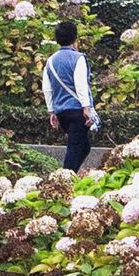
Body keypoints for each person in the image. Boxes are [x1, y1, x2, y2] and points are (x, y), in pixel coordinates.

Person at [40, 17, 101, 173]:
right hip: (77, 110)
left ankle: (71, 175)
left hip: (61, 112)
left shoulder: (50, 60)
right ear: (75, 38)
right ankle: (65, 178)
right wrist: (86, 108)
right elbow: (81, 84)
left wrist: (51, 111)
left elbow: (47, 88)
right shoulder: (78, 58)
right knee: (74, 147)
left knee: (84, 146)